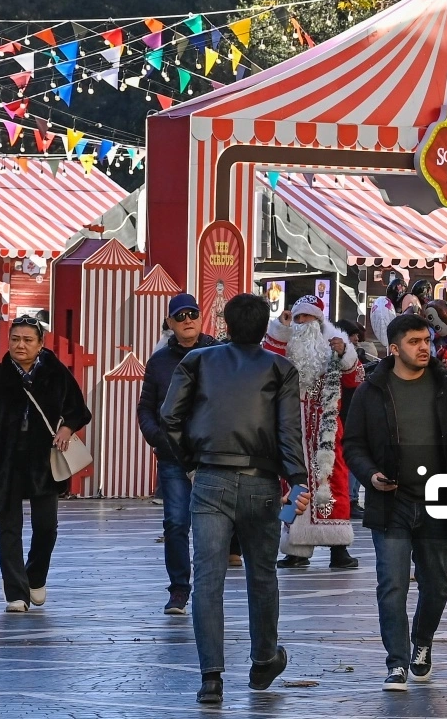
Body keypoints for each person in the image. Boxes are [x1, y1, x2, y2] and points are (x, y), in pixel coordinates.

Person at [160, 293, 310, 705]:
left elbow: (169, 417)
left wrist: (191, 460)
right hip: (262, 481)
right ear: (265, 329)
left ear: (225, 323)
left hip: (210, 477)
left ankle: (211, 677)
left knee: (207, 578)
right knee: (262, 575)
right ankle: (263, 658)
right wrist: (296, 481)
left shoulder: (196, 362)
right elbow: (288, 434)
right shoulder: (281, 369)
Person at [342, 312, 447, 692]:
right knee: (392, 585)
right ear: (394, 348)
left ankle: (423, 643)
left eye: (427, 341)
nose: (423, 348)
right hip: (392, 501)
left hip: (440, 498)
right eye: (415, 342)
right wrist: (370, 475)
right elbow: (354, 444)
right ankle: (397, 663)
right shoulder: (373, 389)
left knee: (437, 584)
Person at [0, 316, 91, 610]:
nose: (20, 345)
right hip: (5, 460)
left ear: (41, 344)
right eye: (15, 339)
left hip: (44, 461)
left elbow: (79, 409)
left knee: (46, 526)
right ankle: (16, 592)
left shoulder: (56, 374)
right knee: (9, 528)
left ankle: (36, 577)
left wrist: (67, 427)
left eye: (28, 340)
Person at [263, 296, 361, 570]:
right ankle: (296, 548)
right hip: (292, 429)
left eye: (310, 318)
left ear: (320, 321)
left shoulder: (333, 344)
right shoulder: (284, 344)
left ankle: (339, 548)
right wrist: (280, 330)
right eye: (299, 318)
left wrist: (345, 353)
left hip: (325, 431)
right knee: (291, 484)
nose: (304, 323)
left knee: (335, 482)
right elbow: (268, 362)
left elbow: (356, 378)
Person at [137, 293, 218, 615]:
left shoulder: (219, 353)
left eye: (193, 314)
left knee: (213, 527)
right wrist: (156, 436)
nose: (187, 320)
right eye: (180, 316)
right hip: (172, 456)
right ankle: (179, 590)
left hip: (212, 454)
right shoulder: (158, 361)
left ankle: (210, 589)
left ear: (201, 318)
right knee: (175, 523)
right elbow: (145, 406)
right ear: (169, 323)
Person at [334, 319, 370, 518]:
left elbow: (355, 380)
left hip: (349, 415)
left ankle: (351, 499)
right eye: (353, 334)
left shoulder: (354, 358)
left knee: (351, 457)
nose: (356, 338)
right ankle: (349, 499)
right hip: (338, 415)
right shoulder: (328, 357)